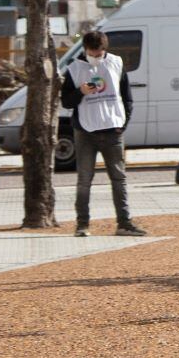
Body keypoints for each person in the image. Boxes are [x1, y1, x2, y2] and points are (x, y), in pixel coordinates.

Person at [59, 29, 145, 237]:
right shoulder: (74, 69)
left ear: (104, 49)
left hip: (112, 130)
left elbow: (127, 96)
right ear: (85, 49)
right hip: (85, 132)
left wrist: (122, 123)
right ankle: (82, 224)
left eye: (99, 54)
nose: (96, 57)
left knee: (118, 178)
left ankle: (124, 223)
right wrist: (80, 92)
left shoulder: (116, 63)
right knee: (84, 179)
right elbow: (66, 101)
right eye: (92, 53)